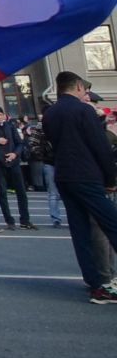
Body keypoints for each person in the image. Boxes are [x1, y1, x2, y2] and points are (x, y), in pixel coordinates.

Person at [41, 71, 117, 303]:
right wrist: (111, 179)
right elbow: (100, 146)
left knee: (80, 231)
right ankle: (102, 282)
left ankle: (96, 286)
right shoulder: (84, 110)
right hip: (87, 174)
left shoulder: (50, 113)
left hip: (64, 175)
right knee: (111, 222)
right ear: (78, 87)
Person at [0, 107, 34, 230]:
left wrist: (15, 154)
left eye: (0, 114)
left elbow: (19, 143)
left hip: (13, 162)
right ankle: (9, 220)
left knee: (21, 192)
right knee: (2, 193)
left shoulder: (10, 126)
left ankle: (25, 220)